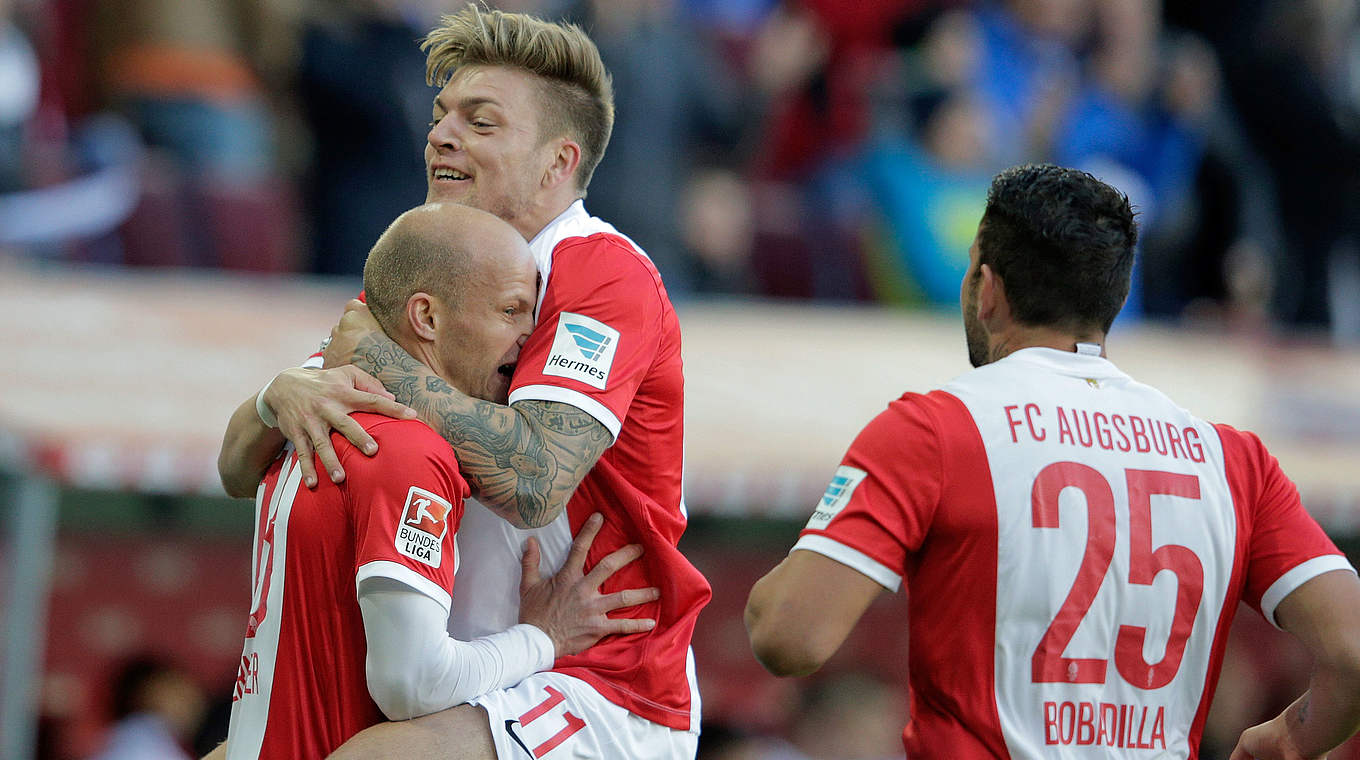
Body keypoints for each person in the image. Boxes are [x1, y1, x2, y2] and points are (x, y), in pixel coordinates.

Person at [215, 7, 709, 759]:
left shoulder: (602, 274)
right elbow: (235, 465)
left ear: (557, 163)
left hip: (601, 677)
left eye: (481, 122)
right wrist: (275, 396)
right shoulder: (437, 263)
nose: (442, 135)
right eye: (441, 115)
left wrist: (378, 361)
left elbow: (536, 477)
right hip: (469, 664)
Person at [745, 164, 1360, 759]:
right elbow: (1353, 649)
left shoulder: (933, 431)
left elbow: (790, 637)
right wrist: (1292, 739)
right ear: (1111, 298)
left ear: (987, 289)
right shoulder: (1233, 462)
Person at [213, 203, 656, 760]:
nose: (529, 339)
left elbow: (231, 468)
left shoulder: (312, 413)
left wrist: (274, 393)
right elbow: (412, 685)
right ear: (426, 318)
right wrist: (544, 638)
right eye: (511, 311)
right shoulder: (408, 450)